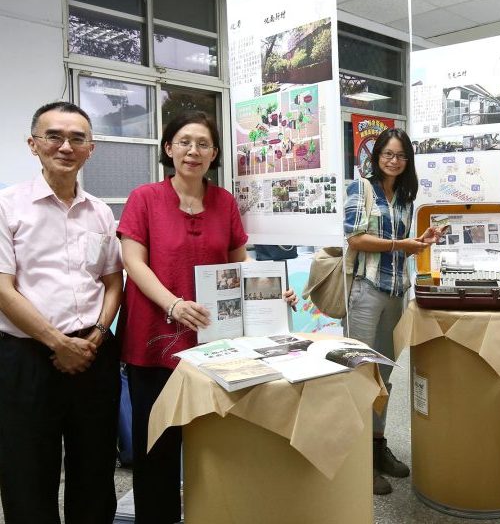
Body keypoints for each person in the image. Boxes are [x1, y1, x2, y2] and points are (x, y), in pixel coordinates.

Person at [117, 111, 297, 523]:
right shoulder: (145, 198)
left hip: (215, 342)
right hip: (155, 339)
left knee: (213, 438)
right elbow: (134, 262)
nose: (193, 151)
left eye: (203, 143)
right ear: (168, 148)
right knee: (157, 442)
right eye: (184, 141)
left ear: (215, 153)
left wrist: (272, 290)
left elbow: (241, 262)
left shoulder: (225, 202)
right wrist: (173, 304)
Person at [0, 101, 123, 523]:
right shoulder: (8, 205)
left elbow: (112, 280)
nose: (65, 146)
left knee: (95, 466)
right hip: (26, 357)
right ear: (33, 144)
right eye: (54, 136)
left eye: (77, 138)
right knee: (27, 470)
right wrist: (57, 343)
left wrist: (100, 333)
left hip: (93, 351)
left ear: (91, 148)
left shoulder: (101, 212)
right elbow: (2, 288)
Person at [344, 128, 441, 495]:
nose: (394, 160)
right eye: (388, 154)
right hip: (366, 292)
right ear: (377, 156)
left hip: (397, 293)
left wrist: (423, 240)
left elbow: (404, 245)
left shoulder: (405, 196)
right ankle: (356, 460)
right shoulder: (361, 189)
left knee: (384, 376)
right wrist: (401, 243)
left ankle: (376, 447)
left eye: (401, 155)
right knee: (359, 374)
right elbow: (354, 238)